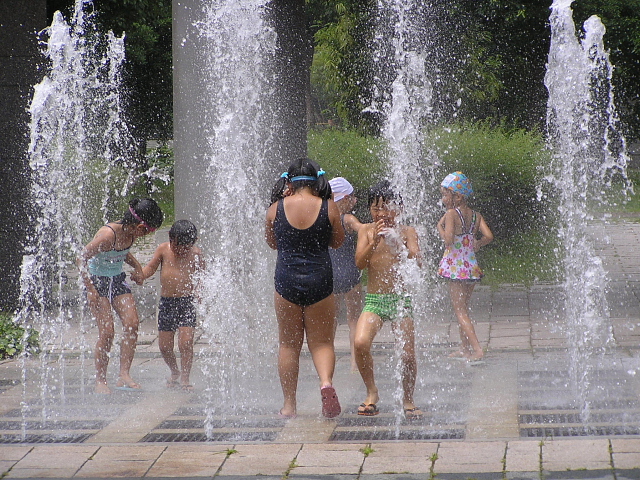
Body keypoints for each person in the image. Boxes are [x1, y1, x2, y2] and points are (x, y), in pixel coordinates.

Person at [265, 158, 345, 419]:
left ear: (289, 181)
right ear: (316, 180)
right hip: (320, 280)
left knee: (289, 344)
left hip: (286, 280)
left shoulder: (274, 209)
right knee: (322, 342)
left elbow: (272, 243)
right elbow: (337, 242)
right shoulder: (329, 208)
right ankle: (326, 383)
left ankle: (289, 406)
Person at [78, 198, 164, 394]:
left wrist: (138, 269)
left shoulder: (130, 233)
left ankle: (124, 374)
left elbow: (124, 253)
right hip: (97, 281)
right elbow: (81, 258)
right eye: (148, 231)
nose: (146, 235)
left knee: (132, 323)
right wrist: (90, 290)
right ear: (140, 226)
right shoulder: (108, 235)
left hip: (116, 279)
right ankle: (101, 379)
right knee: (107, 332)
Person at [353, 180, 423, 419]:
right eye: (375, 208)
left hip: (400, 300)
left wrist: (398, 243)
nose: (381, 213)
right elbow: (359, 264)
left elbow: (417, 261)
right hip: (374, 299)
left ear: (399, 208)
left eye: (386, 207)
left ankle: (408, 399)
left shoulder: (408, 232)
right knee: (360, 343)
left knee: (407, 354)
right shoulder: (366, 230)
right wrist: (374, 242)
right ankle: (372, 392)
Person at [134, 220, 204, 392]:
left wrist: (200, 292)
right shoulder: (163, 250)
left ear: (193, 243)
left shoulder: (196, 254)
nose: (181, 251)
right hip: (167, 303)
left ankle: (185, 378)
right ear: (170, 239)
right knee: (164, 346)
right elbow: (150, 267)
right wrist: (141, 275)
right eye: (178, 246)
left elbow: (202, 276)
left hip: (187, 302)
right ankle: (175, 371)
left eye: (186, 248)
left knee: (186, 343)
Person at [437, 172, 493, 363]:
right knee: (463, 309)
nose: (443, 199)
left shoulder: (452, 214)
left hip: (455, 269)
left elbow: (449, 240)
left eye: (445, 195)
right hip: (470, 267)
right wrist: (477, 243)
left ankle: (477, 350)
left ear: (457, 196)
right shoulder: (476, 216)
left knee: (460, 311)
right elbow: (489, 236)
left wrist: (439, 227)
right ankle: (464, 348)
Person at [328, 177, 364, 372]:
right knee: (353, 320)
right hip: (351, 275)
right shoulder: (348, 219)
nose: (355, 201)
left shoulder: (324, 218)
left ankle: (328, 365)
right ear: (343, 198)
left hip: (330, 276)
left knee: (331, 324)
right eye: (352, 197)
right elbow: (363, 230)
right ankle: (354, 364)